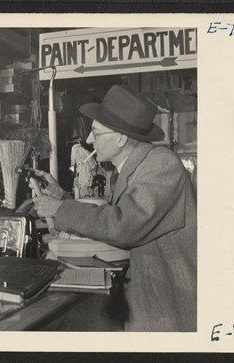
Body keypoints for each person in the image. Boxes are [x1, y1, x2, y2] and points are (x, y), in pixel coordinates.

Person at [32, 85, 197, 332]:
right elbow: (111, 219)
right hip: (147, 293)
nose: (89, 140)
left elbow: (123, 226)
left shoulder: (162, 164)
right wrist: (62, 197)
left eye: (96, 133)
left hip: (166, 300)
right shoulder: (129, 169)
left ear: (120, 138)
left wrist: (60, 210)